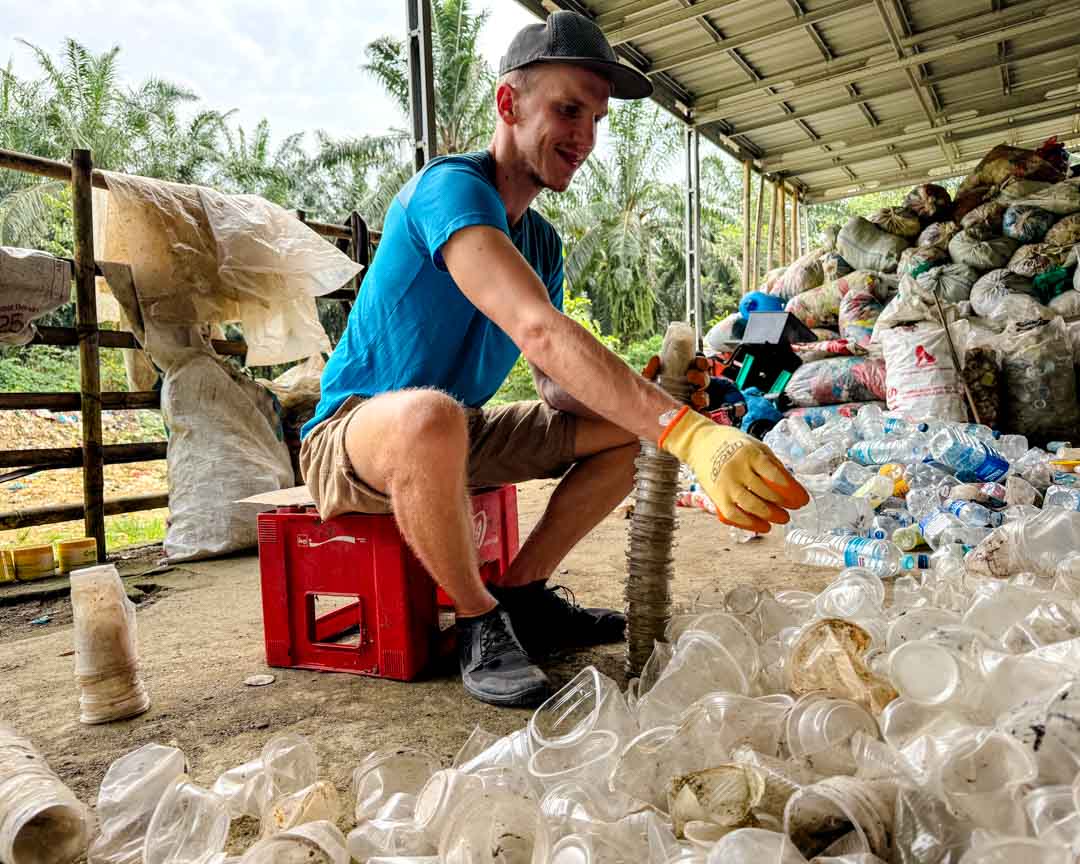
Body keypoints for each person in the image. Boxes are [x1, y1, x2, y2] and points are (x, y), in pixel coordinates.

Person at [300, 11, 809, 707]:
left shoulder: (539, 241)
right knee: (429, 417)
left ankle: (520, 595)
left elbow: (557, 387)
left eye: (597, 120)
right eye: (569, 110)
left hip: (460, 432)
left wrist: (653, 395)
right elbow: (537, 330)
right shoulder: (450, 188)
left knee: (627, 427)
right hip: (355, 436)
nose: (585, 137)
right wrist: (685, 432)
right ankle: (478, 622)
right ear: (508, 104)